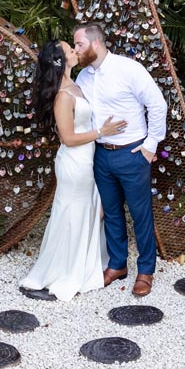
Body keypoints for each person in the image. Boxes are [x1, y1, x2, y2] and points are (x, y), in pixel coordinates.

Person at [20, 40, 127, 301]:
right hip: (74, 162)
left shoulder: (76, 85)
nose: (75, 51)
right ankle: (63, 269)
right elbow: (68, 138)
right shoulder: (62, 95)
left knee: (89, 209)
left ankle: (81, 263)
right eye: (70, 50)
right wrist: (103, 132)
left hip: (88, 159)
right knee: (72, 213)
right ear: (61, 60)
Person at [74, 23, 167, 297]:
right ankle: (117, 265)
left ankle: (146, 270)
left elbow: (157, 105)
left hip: (132, 154)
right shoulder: (82, 78)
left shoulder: (129, 70)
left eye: (79, 45)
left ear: (96, 44)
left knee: (141, 216)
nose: (76, 50)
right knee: (112, 214)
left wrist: (151, 145)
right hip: (102, 154)